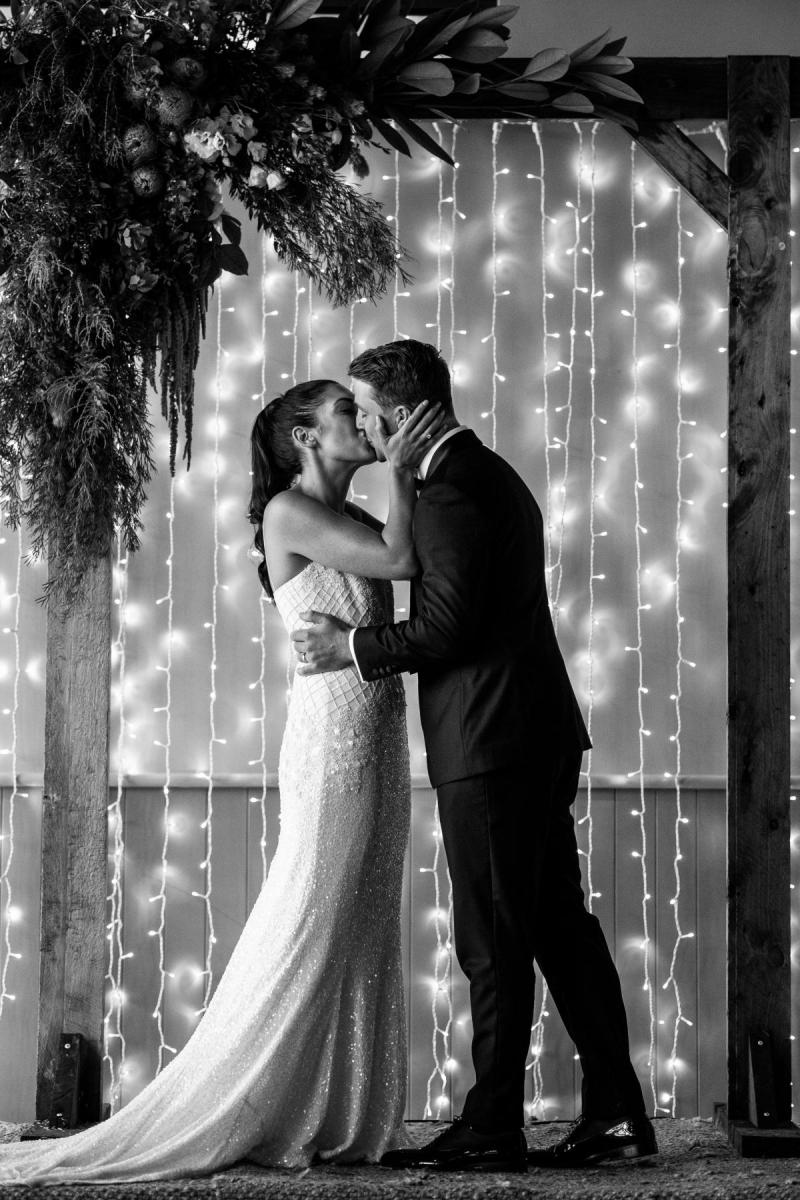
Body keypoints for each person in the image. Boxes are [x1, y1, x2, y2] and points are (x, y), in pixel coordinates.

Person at [0, 379, 445, 1185]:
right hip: (335, 739)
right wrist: (409, 476)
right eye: (347, 413)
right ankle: (238, 1100)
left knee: (364, 918)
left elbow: (411, 571)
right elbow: (403, 562)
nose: (364, 422)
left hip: (380, 735)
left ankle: (334, 1114)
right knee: (311, 913)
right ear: (307, 439)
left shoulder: (348, 516)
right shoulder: (288, 514)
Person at [294, 340, 659, 1172]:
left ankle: (494, 1124)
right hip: (531, 736)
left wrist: (352, 644)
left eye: (366, 409)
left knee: (493, 941)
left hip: (491, 743)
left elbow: (445, 629)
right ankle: (615, 1111)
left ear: (395, 411)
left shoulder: (451, 490)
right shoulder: (481, 473)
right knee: (560, 929)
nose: (366, 426)